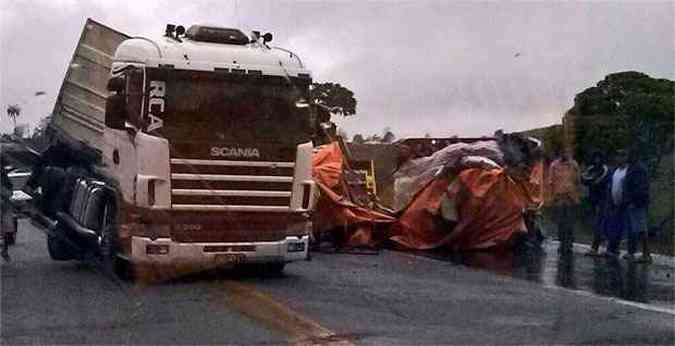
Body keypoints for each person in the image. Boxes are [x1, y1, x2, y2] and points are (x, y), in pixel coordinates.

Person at [548, 148, 582, 254]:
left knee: (570, 223)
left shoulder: (574, 165)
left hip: (571, 199)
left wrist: (577, 197)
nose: (565, 154)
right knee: (561, 223)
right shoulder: (554, 165)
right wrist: (552, 198)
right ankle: (563, 243)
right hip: (559, 198)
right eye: (563, 152)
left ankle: (569, 244)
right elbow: (550, 182)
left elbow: (578, 181)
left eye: (566, 152)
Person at [623, 146, 652, 263]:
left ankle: (646, 254)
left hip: (637, 203)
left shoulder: (639, 169)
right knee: (635, 229)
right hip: (633, 203)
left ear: (635, 156)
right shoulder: (633, 168)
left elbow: (640, 189)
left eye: (630, 155)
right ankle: (634, 253)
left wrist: (633, 201)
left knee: (641, 229)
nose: (628, 158)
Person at [581, 151, 610, 256]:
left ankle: (596, 247)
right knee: (595, 224)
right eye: (595, 158)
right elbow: (583, 179)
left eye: (599, 158)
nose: (597, 160)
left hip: (603, 201)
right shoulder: (591, 169)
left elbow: (597, 181)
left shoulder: (605, 170)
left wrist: (590, 180)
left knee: (600, 224)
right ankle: (599, 245)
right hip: (593, 200)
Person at [604, 149, 630, 259]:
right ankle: (612, 248)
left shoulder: (628, 171)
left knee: (619, 228)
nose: (619, 158)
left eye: (622, 156)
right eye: (618, 156)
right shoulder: (615, 170)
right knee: (613, 226)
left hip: (624, 204)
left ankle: (615, 248)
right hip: (613, 202)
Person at [1, 154, 13, 261]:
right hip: (4, 203)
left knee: (7, 227)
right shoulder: (3, 174)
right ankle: (4, 250)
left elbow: (9, 190)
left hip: (4, 204)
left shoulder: (3, 174)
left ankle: (5, 249)